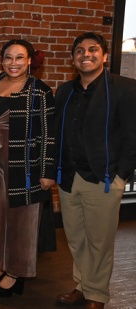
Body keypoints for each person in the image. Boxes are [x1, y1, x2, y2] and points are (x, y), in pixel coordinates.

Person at [54, 32, 136, 309]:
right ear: (74, 57)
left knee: (100, 242)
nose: (85, 54)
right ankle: (81, 285)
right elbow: (57, 135)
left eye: (92, 50)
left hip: (103, 178)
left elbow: (132, 136)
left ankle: (97, 294)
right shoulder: (65, 91)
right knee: (76, 239)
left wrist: (120, 175)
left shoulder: (125, 88)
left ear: (103, 55)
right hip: (68, 177)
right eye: (79, 50)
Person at [0, 39, 55, 298]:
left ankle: (16, 272)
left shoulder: (40, 92)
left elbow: (48, 134)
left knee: (21, 221)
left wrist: (47, 172)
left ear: (30, 61)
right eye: (9, 58)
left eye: (20, 58)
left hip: (23, 166)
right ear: (1, 60)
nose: (14, 63)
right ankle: (2, 263)